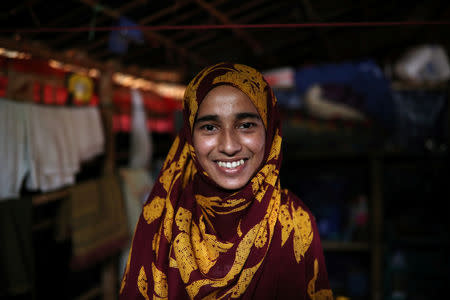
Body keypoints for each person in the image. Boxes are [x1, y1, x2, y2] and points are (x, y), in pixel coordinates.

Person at [119, 62, 333, 299]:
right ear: (190, 136)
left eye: (246, 125)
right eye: (210, 127)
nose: (229, 146)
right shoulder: (162, 221)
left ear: (270, 130)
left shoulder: (295, 220)